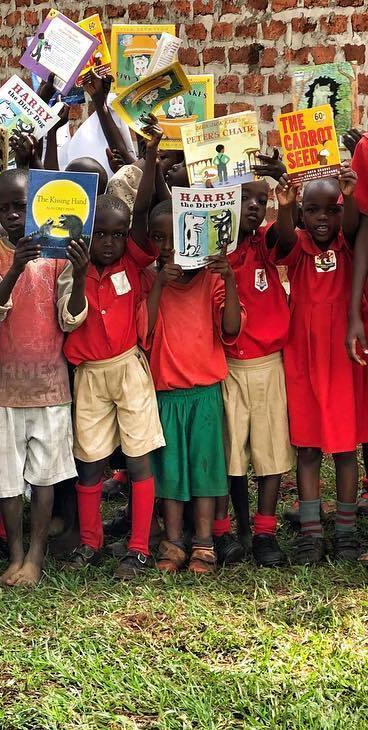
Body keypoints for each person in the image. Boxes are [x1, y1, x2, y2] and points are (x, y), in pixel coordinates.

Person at [63, 118, 165, 579]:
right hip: (90, 375)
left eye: (117, 234)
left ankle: (139, 546)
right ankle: (91, 540)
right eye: (100, 233)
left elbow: (143, 210)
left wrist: (150, 154)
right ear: (88, 231)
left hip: (128, 370)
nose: (108, 242)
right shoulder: (74, 266)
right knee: (90, 462)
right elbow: (70, 318)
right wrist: (81, 274)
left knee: (140, 456)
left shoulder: (132, 257)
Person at [0, 167, 83, 586]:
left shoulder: (59, 252)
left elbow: (70, 317)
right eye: (3, 208)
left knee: (45, 476)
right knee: (6, 478)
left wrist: (79, 272)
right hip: (2, 386)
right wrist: (15, 267)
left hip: (49, 385)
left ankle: (36, 557)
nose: (11, 215)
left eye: (20, 206)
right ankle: (16, 554)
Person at [145, 201, 242, 574]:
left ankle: (203, 542)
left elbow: (231, 327)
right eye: (159, 238)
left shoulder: (212, 280)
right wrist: (158, 284)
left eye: (176, 236)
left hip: (204, 394)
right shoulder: (150, 279)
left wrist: (230, 278)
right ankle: (173, 541)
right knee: (169, 472)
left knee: (205, 472)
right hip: (167, 394)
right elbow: (145, 331)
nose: (169, 246)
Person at [275, 171, 364, 563]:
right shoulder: (299, 245)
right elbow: (283, 236)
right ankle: (311, 531)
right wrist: (285, 205)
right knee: (308, 446)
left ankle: (346, 530)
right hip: (303, 353)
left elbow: (352, 225)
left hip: (343, 355)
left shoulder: (349, 243)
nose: (322, 218)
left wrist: (351, 195)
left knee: (345, 448)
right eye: (312, 210)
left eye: (332, 210)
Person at [217, 178, 295, 567]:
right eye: (242, 198)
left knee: (271, 453)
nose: (252, 205)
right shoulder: (214, 252)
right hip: (227, 367)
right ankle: (239, 528)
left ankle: (265, 531)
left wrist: (284, 204)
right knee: (232, 455)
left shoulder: (265, 242)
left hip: (268, 366)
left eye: (259, 200)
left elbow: (286, 238)